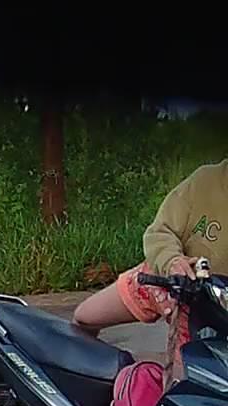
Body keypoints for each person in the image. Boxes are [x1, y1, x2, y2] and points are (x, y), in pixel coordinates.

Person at [72, 159, 228, 380]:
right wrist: (172, 261)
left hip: (210, 316)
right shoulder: (205, 181)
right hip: (163, 280)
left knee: (187, 388)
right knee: (84, 317)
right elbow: (160, 231)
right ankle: (85, 380)